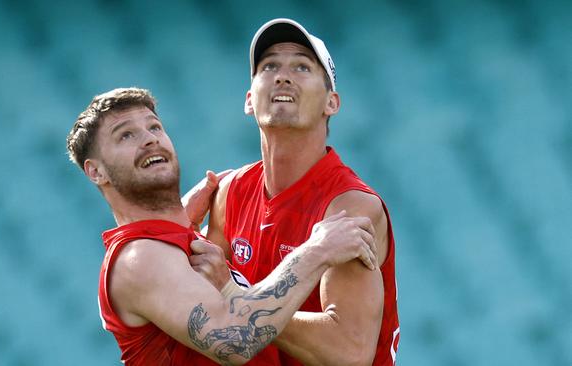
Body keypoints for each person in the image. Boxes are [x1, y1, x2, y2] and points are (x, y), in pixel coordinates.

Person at [65, 87, 379, 365]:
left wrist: (183, 224)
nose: (149, 139)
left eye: (154, 127)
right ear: (96, 172)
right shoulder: (139, 258)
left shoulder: (178, 243)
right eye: (126, 135)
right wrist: (317, 250)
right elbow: (235, 342)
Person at [190, 18, 400, 365]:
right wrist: (180, 221)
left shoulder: (349, 208)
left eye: (302, 66)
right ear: (248, 100)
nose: (282, 75)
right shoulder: (230, 192)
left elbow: (348, 353)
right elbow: (192, 306)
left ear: (331, 103)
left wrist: (237, 297)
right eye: (269, 65)